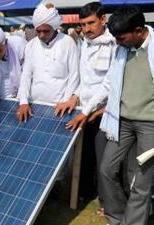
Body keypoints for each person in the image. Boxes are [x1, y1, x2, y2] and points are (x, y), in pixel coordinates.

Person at [55, 2, 117, 216]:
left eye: (91, 23)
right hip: (86, 110)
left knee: (104, 160)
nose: (87, 28)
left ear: (103, 19)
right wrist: (74, 97)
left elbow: (109, 84)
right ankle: (84, 193)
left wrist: (89, 109)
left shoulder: (115, 43)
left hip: (105, 110)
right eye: (82, 24)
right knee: (86, 154)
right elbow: (85, 80)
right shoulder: (85, 43)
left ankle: (106, 201)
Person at [97, 6, 154, 225]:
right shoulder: (122, 50)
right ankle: (117, 218)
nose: (117, 42)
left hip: (150, 125)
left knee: (141, 181)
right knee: (106, 169)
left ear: (139, 30)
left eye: (121, 37)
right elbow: (109, 83)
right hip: (122, 122)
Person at [16, 3, 79, 122]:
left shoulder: (68, 43)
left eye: (46, 31)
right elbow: (26, 75)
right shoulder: (31, 45)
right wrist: (23, 101)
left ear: (54, 27)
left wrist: (65, 102)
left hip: (59, 107)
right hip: (34, 105)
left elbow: (74, 76)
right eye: (38, 31)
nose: (41, 35)